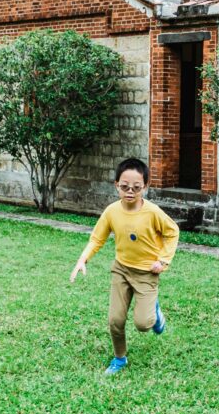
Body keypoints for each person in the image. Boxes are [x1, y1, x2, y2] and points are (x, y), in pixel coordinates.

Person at [70, 158, 179, 375]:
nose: (130, 192)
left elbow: (172, 232)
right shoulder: (111, 211)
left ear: (146, 187)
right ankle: (120, 358)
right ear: (116, 184)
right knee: (115, 320)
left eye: (137, 188)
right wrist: (83, 260)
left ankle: (155, 313)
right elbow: (97, 238)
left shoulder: (153, 212)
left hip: (147, 273)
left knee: (143, 324)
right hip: (121, 270)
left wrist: (163, 261)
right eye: (125, 187)